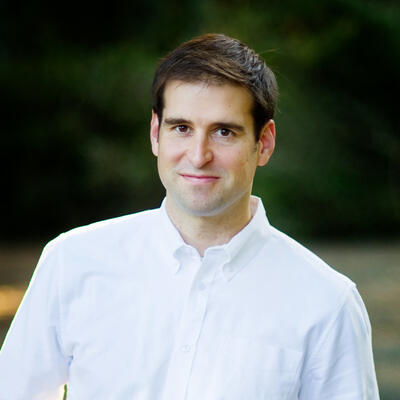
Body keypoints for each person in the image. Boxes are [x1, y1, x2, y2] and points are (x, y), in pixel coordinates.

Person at [0, 33, 379, 399]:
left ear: (263, 143)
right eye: (181, 128)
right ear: (155, 134)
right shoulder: (73, 262)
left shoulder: (326, 302)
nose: (198, 155)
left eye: (224, 132)